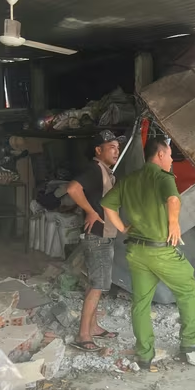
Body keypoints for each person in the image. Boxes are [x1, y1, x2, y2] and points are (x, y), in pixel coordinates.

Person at [101, 138, 195, 371]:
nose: (172, 160)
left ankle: (144, 355)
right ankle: (190, 341)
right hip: (160, 252)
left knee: (141, 303)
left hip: (136, 252)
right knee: (187, 288)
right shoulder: (163, 178)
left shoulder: (129, 179)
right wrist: (174, 223)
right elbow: (173, 199)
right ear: (160, 154)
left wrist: (123, 228)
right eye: (170, 155)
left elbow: (107, 205)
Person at [66, 130, 127, 352]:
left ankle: (93, 326)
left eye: (117, 148)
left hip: (105, 235)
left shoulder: (106, 172)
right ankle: (83, 334)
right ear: (98, 150)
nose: (116, 151)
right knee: (97, 285)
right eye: (111, 147)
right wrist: (90, 212)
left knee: (97, 284)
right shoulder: (94, 169)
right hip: (97, 237)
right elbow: (72, 189)